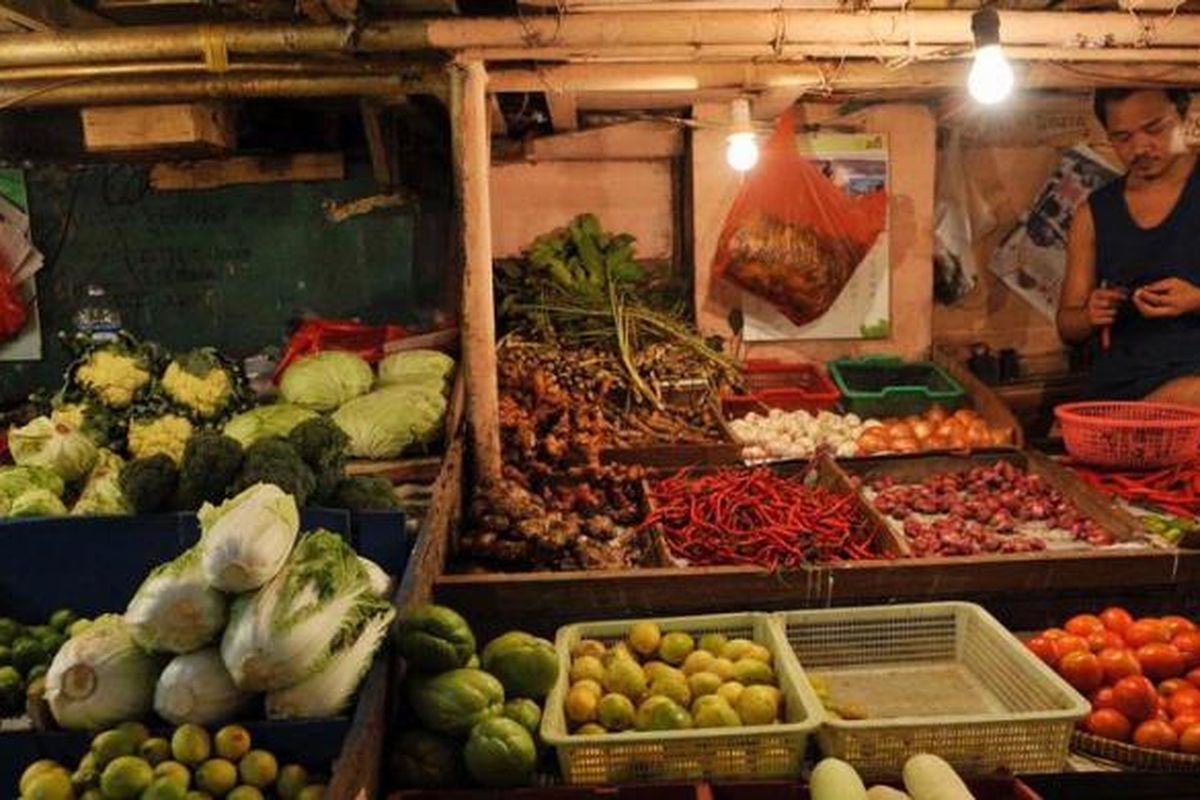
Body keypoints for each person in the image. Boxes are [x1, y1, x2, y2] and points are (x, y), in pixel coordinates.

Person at [1057, 87, 1200, 404]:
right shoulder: (1093, 213)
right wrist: (1090, 314)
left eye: (1154, 129)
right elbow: (1068, 325)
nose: (1140, 148)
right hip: (1122, 385)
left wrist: (1195, 299)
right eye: (1122, 137)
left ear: (1183, 114)